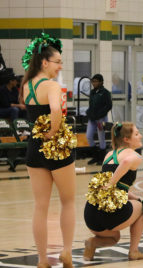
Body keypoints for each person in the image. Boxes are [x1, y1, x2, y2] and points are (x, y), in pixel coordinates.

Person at [20, 39, 76, 268]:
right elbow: (55, 109)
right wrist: (53, 131)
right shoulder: (51, 86)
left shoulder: (26, 85)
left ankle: (43, 259)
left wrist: (43, 134)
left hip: (34, 146)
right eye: (57, 62)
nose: (60, 67)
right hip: (56, 145)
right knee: (68, 201)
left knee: (40, 206)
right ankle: (67, 251)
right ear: (44, 63)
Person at [83, 122, 143, 261]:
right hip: (109, 214)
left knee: (114, 237)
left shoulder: (109, 155)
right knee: (142, 208)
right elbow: (125, 163)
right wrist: (111, 183)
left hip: (91, 214)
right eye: (136, 134)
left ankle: (92, 243)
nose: (140, 136)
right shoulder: (135, 155)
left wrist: (131, 195)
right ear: (126, 139)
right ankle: (134, 251)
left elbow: (118, 187)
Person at [86, 74, 112, 165]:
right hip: (92, 118)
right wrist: (88, 112)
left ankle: (102, 158)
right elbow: (91, 105)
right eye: (93, 81)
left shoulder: (105, 93)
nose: (94, 83)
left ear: (101, 82)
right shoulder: (92, 92)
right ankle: (95, 157)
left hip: (101, 119)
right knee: (88, 136)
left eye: (96, 81)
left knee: (101, 137)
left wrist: (100, 115)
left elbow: (109, 106)